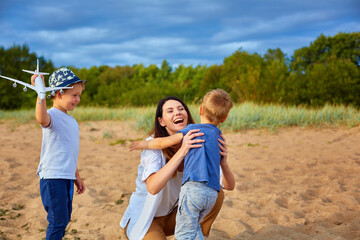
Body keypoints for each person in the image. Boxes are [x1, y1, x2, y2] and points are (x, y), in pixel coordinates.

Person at [121, 95, 235, 240]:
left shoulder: (200, 140)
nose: (177, 112)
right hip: (147, 218)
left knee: (217, 194)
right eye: (170, 111)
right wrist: (182, 152)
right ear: (161, 121)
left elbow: (228, 186)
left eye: (181, 109)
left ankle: (201, 235)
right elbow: (153, 187)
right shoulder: (153, 145)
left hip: (175, 215)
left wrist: (224, 163)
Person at [32, 67, 86, 240]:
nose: (78, 99)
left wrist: (76, 175)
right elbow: (41, 118)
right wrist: (40, 94)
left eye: (79, 95)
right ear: (59, 94)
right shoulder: (52, 115)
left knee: (64, 218)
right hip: (53, 177)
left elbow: (69, 152)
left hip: (66, 177)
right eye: (74, 95)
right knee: (58, 220)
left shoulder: (72, 121)